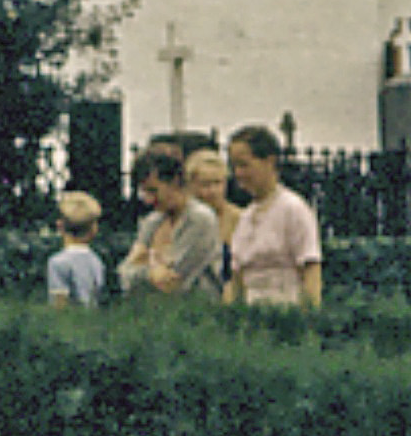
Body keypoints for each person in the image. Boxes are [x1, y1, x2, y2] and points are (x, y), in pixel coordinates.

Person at [224, 125, 323, 307]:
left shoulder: (293, 209)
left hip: (286, 312)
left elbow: (311, 271)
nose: (238, 173)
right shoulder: (246, 217)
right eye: (234, 166)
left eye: (244, 165)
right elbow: (237, 279)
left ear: (269, 162)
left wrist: (309, 315)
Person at [117, 146, 223, 297]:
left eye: (153, 191)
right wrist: (151, 273)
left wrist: (142, 265)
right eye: (144, 192)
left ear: (175, 182)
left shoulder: (200, 219)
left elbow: (175, 282)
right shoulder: (152, 222)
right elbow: (123, 276)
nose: (148, 200)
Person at [186, 145, 240, 294]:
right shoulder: (183, 219)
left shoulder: (239, 218)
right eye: (205, 184)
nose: (213, 191)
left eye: (218, 183)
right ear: (191, 185)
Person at [46, 192, 106, 307]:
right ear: (94, 230)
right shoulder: (97, 260)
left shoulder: (57, 262)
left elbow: (59, 303)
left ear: (60, 226)